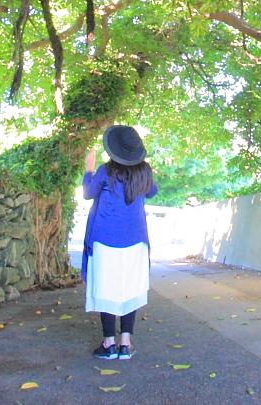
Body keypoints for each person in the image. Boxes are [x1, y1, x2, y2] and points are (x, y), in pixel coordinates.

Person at [81, 124, 157, 360]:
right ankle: (125, 343)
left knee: (107, 289)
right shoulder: (144, 172)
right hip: (135, 241)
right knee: (129, 289)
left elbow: (87, 193)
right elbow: (152, 192)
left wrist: (88, 170)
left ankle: (108, 344)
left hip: (105, 240)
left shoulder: (105, 171)